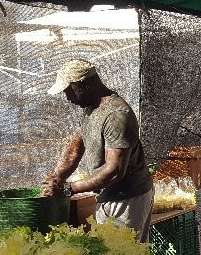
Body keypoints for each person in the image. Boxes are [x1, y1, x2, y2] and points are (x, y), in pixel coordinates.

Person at [42, 59, 154, 240]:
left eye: (68, 91)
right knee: (112, 253)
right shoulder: (92, 108)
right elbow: (77, 144)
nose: (67, 97)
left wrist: (68, 189)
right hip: (109, 194)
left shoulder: (117, 116)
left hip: (126, 198)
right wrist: (57, 177)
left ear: (81, 85)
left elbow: (114, 171)